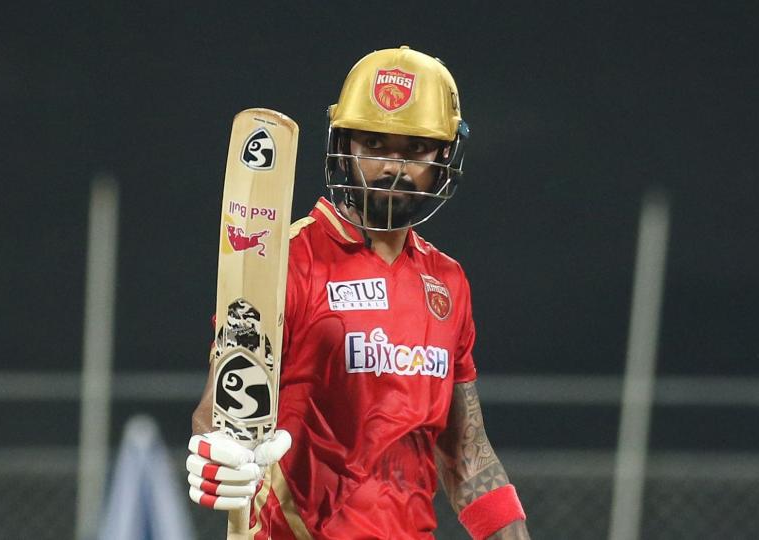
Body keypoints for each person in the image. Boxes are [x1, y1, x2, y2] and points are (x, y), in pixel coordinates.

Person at [188, 46, 530, 539]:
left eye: (415, 150)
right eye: (375, 145)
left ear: (445, 155)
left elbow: (467, 456)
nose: (394, 166)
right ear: (345, 147)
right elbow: (220, 408)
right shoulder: (286, 260)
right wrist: (218, 454)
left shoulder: (448, 283)